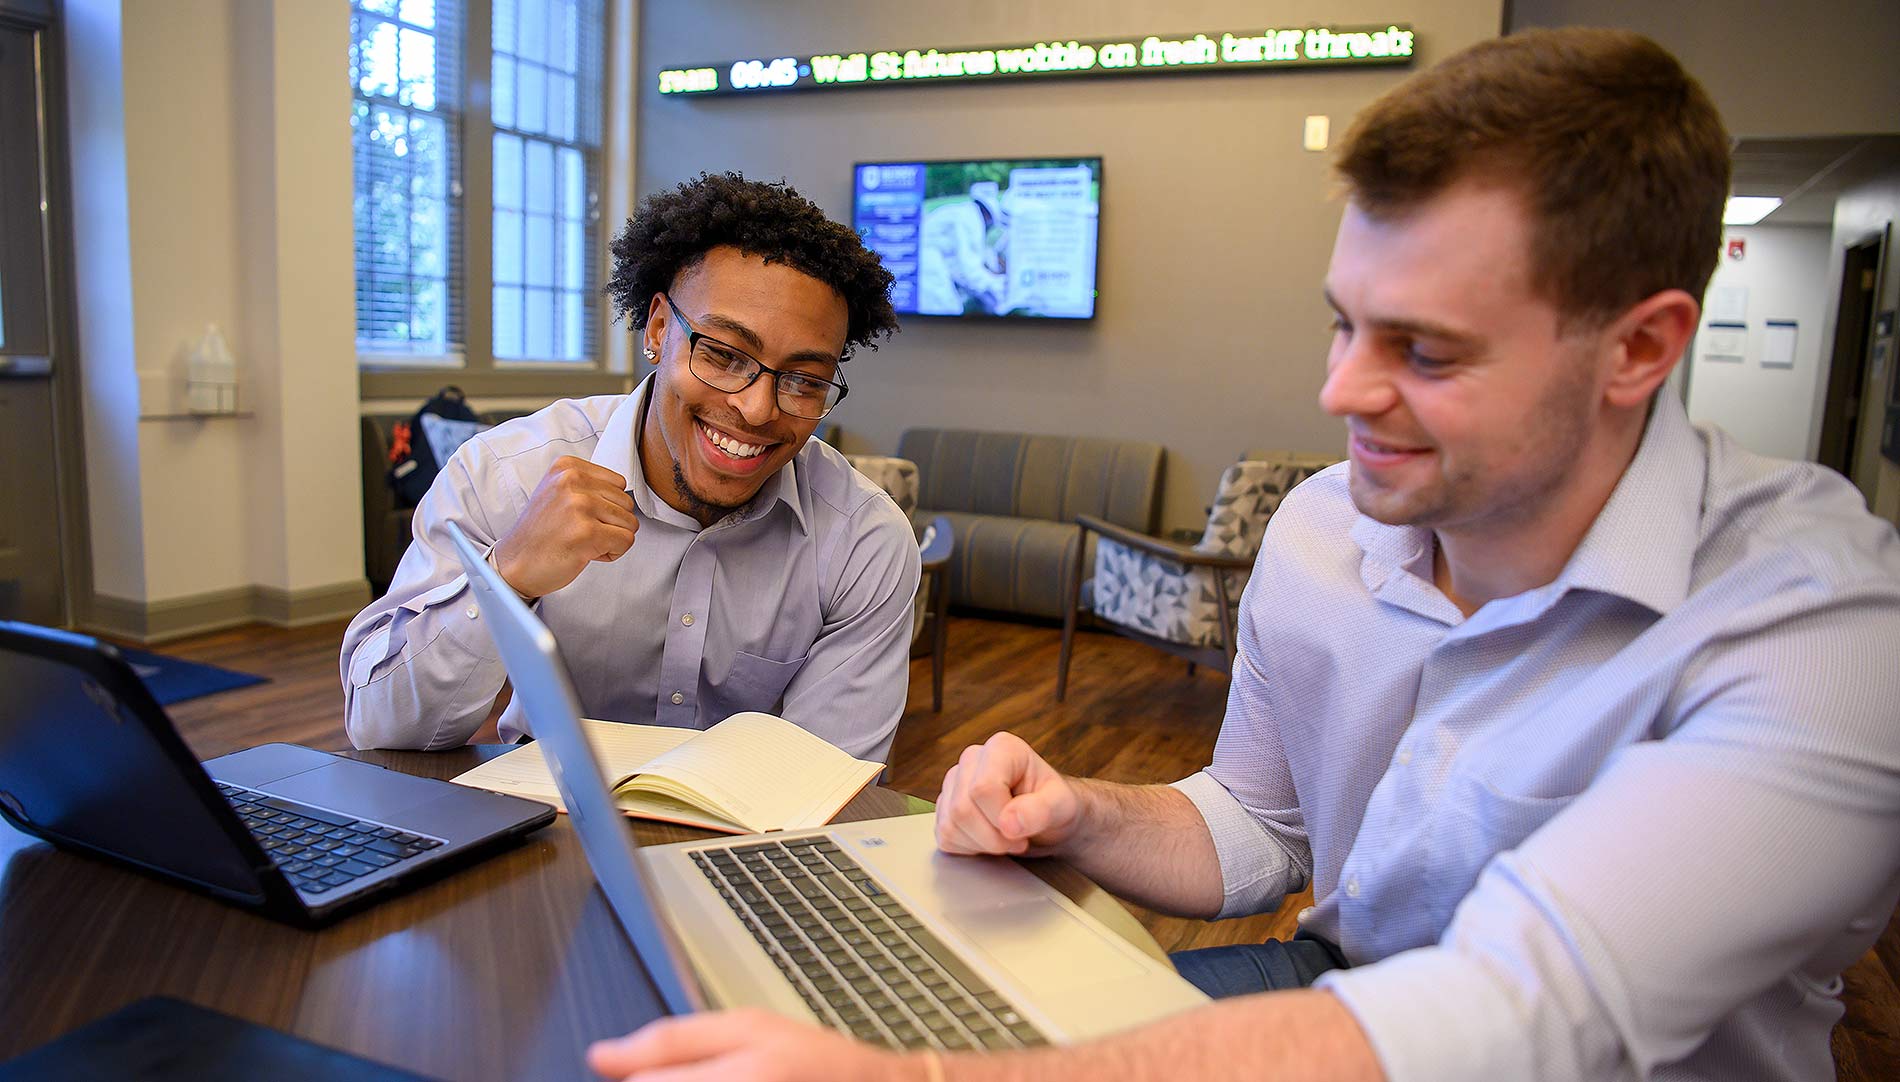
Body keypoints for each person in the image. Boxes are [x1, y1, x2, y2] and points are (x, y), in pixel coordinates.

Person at [584, 28, 1900, 1082]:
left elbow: (1524, 1012)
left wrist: (919, 1074)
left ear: (1641, 348)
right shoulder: (1329, 527)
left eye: (1423, 351)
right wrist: (1080, 809)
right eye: (1343, 324)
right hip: (1331, 987)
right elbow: (1261, 825)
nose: (1341, 392)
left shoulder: (1825, 637)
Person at [340, 173, 920, 761]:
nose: (755, 407)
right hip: (542, 828)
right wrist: (506, 576)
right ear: (660, 328)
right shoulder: (507, 473)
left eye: (804, 380)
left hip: (745, 842)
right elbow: (382, 727)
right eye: (721, 354)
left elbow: (818, 784)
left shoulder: (863, 542)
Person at [918, 181, 1008, 315]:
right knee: (946, 309)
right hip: (926, 264)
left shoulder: (964, 213)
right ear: (988, 216)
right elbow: (970, 272)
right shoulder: (971, 220)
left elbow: (959, 265)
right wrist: (1001, 287)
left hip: (926, 259)